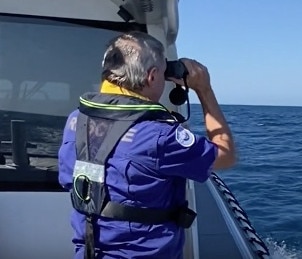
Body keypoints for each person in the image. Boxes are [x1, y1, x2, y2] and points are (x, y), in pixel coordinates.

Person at [58, 31, 236, 259]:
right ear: (152, 77)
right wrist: (204, 89)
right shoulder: (159, 136)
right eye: (163, 73)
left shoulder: (76, 120)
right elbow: (225, 155)